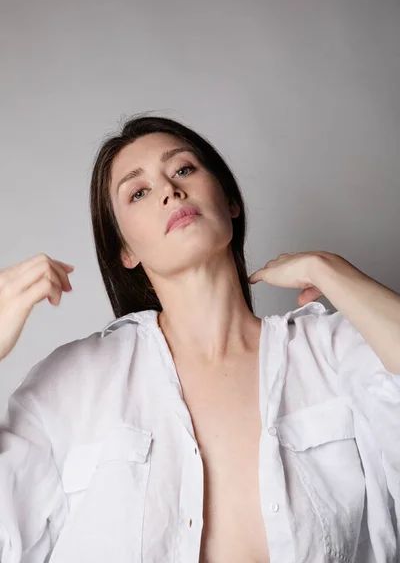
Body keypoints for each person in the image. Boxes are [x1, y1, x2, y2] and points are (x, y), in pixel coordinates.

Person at [0, 114, 399, 563]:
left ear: (230, 200)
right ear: (125, 250)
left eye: (184, 169)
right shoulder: (74, 385)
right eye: (139, 192)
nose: (170, 190)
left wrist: (335, 271)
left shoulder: (330, 352)